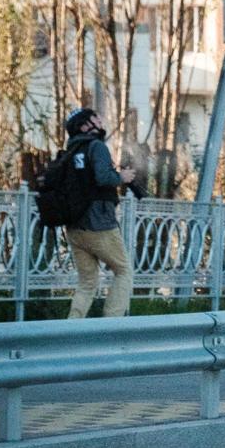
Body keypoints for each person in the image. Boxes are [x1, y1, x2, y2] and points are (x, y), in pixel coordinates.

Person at [61, 108, 136, 319]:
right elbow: (103, 177)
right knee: (123, 271)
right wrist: (122, 176)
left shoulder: (70, 150)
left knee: (87, 282)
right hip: (99, 225)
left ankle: (71, 329)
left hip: (75, 226)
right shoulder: (96, 146)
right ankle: (111, 325)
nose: (101, 119)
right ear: (85, 125)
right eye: (95, 117)